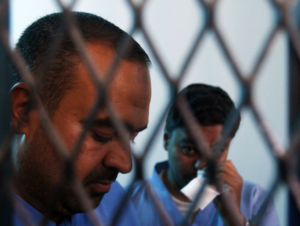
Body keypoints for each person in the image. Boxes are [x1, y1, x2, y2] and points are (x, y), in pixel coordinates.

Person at [11, 12, 151, 226]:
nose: (125, 164)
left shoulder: (112, 201)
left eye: (131, 137)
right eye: (101, 135)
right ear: (24, 110)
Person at [128, 84, 279, 226]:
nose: (202, 165)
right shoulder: (126, 201)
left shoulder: (255, 200)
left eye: (218, 151)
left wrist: (235, 221)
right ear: (167, 140)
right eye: (189, 149)